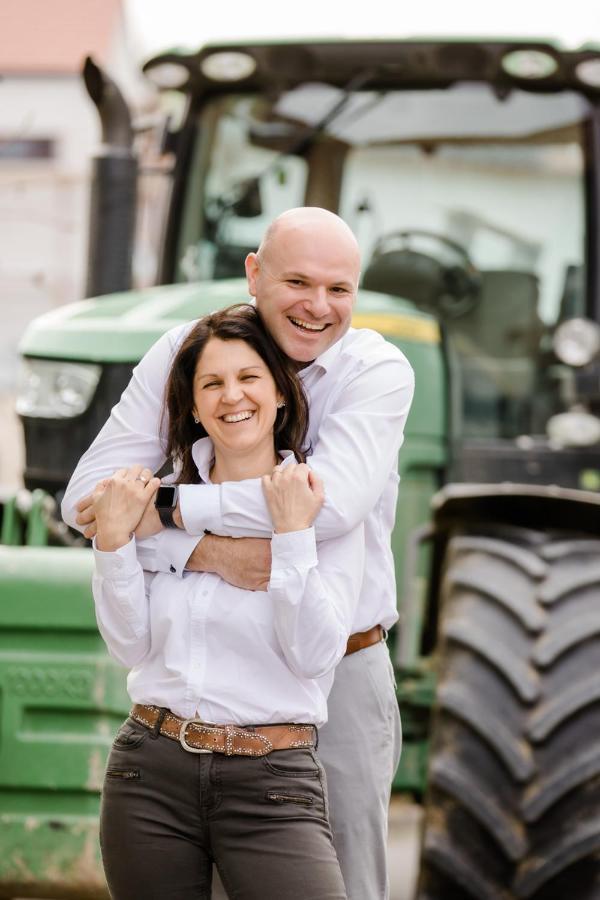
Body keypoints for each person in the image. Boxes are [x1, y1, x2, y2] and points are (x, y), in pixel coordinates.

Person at [63, 207, 415, 900]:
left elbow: (328, 507)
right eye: (298, 282)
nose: (318, 307)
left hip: (335, 667)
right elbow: (86, 500)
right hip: (201, 691)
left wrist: (163, 511)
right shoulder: (185, 352)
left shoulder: (374, 368)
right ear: (255, 273)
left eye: (339, 289)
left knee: (346, 881)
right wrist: (211, 557)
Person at [92, 304, 359, 899]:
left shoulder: (324, 506)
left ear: (282, 394)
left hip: (271, 784)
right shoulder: (153, 504)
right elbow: (128, 644)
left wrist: (290, 537)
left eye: (248, 378)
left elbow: (315, 654)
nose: (230, 396)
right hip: (149, 773)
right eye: (211, 383)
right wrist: (112, 544)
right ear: (190, 405)